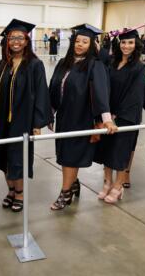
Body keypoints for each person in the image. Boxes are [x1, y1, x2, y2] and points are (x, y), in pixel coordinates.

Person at [48, 24, 116, 210]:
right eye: (77, 41)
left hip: (81, 118)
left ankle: (65, 192)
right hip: (64, 118)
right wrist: (50, 113)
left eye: (85, 42)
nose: (79, 45)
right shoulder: (64, 62)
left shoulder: (95, 66)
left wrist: (106, 119)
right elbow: (54, 89)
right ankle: (73, 183)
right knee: (63, 155)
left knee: (71, 156)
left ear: (91, 45)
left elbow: (102, 94)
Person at [0, 19, 52, 212]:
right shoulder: (4, 62)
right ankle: (10, 190)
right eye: (12, 38)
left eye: (20, 38)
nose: (15, 41)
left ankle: (20, 194)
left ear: (26, 41)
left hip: (23, 120)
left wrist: (37, 123)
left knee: (18, 157)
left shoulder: (34, 64)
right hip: (2, 120)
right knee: (3, 156)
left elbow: (42, 92)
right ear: (7, 41)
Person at [95, 26, 145, 204]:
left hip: (126, 117)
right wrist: (106, 113)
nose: (126, 46)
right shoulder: (111, 62)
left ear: (136, 44)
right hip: (108, 115)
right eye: (123, 42)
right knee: (106, 151)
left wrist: (118, 115)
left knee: (120, 152)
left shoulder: (140, 67)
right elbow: (103, 87)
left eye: (130, 42)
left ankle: (118, 186)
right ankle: (107, 182)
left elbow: (136, 95)